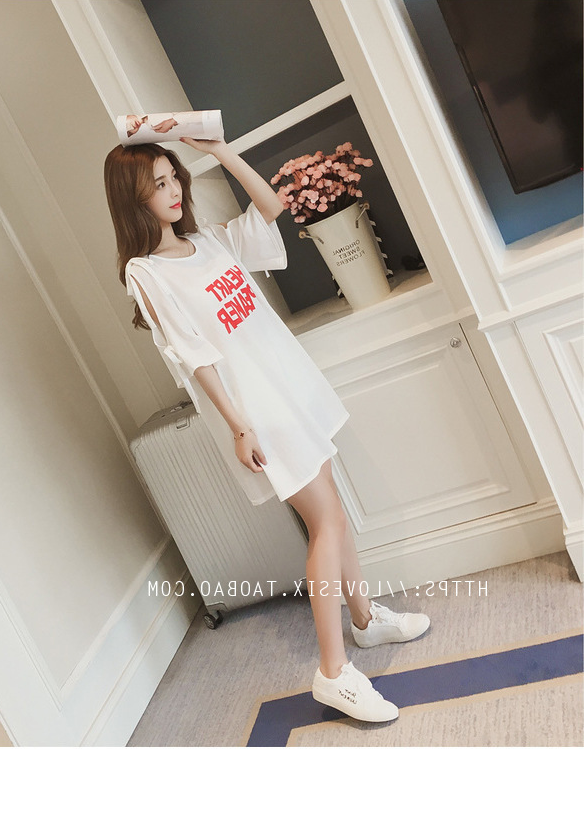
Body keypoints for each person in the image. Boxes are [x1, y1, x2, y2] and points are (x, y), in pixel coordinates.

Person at [103, 137, 430, 723]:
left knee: (334, 511)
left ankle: (363, 620)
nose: (172, 191)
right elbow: (194, 356)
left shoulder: (209, 241)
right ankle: (333, 673)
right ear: (133, 200)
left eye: (173, 176)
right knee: (324, 522)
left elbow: (272, 207)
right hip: (257, 410)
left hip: (290, 387)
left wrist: (218, 149)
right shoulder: (145, 272)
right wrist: (238, 427)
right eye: (157, 185)